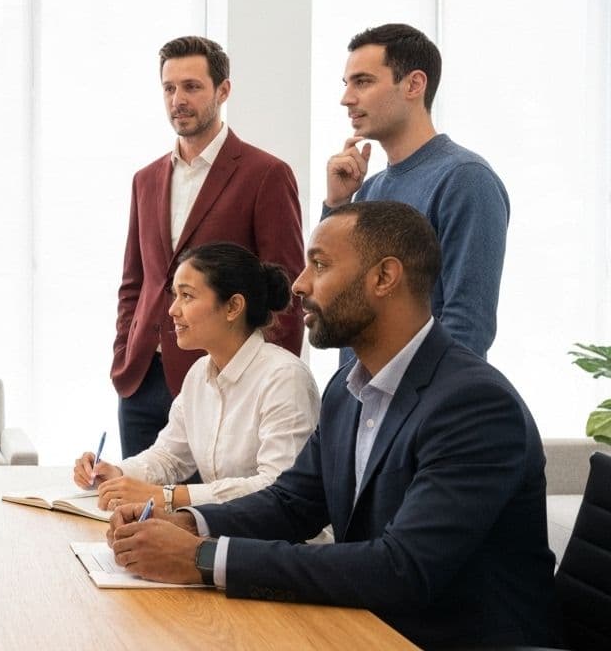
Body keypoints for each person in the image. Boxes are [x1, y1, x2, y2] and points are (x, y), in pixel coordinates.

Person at [106, 201, 559, 648]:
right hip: (369, 627)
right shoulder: (347, 387)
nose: (300, 284)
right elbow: (293, 502)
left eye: (319, 265)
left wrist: (203, 558)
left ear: (384, 277)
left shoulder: (473, 404)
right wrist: (184, 523)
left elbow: (403, 569)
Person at [113, 36, 305, 458]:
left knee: (207, 516)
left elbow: (289, 289)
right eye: (169, 88)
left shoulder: (265, 174)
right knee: (136, 509)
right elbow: (137, 281)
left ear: (223, 90)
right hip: (142, 379)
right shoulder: (146, 179)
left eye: (192, 87)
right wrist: (125, 352)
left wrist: (269, 383)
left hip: (225, 386)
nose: (178, 99)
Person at [79, 242, 318, 515]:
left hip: (284, 546)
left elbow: (276, 486)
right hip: (228, 535)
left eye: (187, 296)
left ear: (233, 307)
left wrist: (168, 496)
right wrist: (116, 473)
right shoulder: (198, 374)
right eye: (174, 295)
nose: (172, 310)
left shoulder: (284, 377)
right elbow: (169, 457)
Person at [325, 22, 508, 358]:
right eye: (347, 84)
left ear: (414, 84)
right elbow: (335, 297)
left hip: (425, 403)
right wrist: (338, 204)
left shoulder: (465, 178)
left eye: (362, 82)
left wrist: (420, 404)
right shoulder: (369, 190)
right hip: (363, 399)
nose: (346, 99)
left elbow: (469, 322)